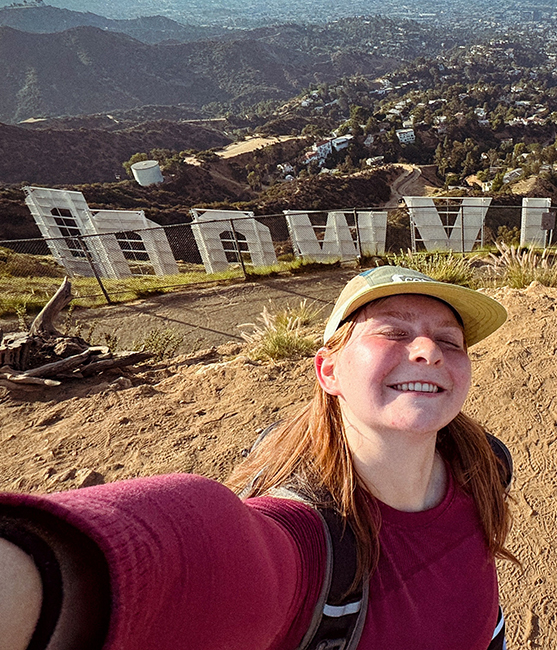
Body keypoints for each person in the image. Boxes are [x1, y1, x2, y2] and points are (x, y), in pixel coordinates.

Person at [0, 265, 516, 650]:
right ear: (328, 372)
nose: (428, 350)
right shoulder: (307, 546)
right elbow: (185, 546)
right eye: (394, 332)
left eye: (450, 341)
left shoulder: (485, 466)